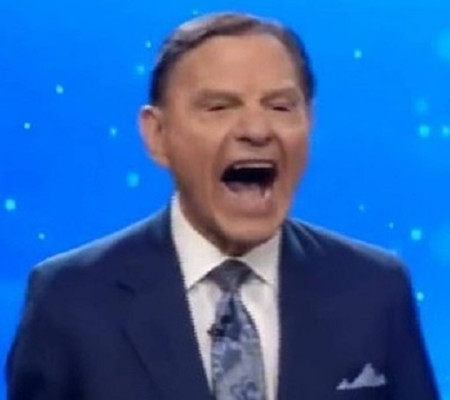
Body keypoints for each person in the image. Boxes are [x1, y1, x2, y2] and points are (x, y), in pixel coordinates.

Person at [6, 12, 439, 400]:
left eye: (280, 106)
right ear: (157, 135)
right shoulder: (70, 299)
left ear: (309, 121)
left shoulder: (374, 289)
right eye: (219, 107)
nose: (256, 129)